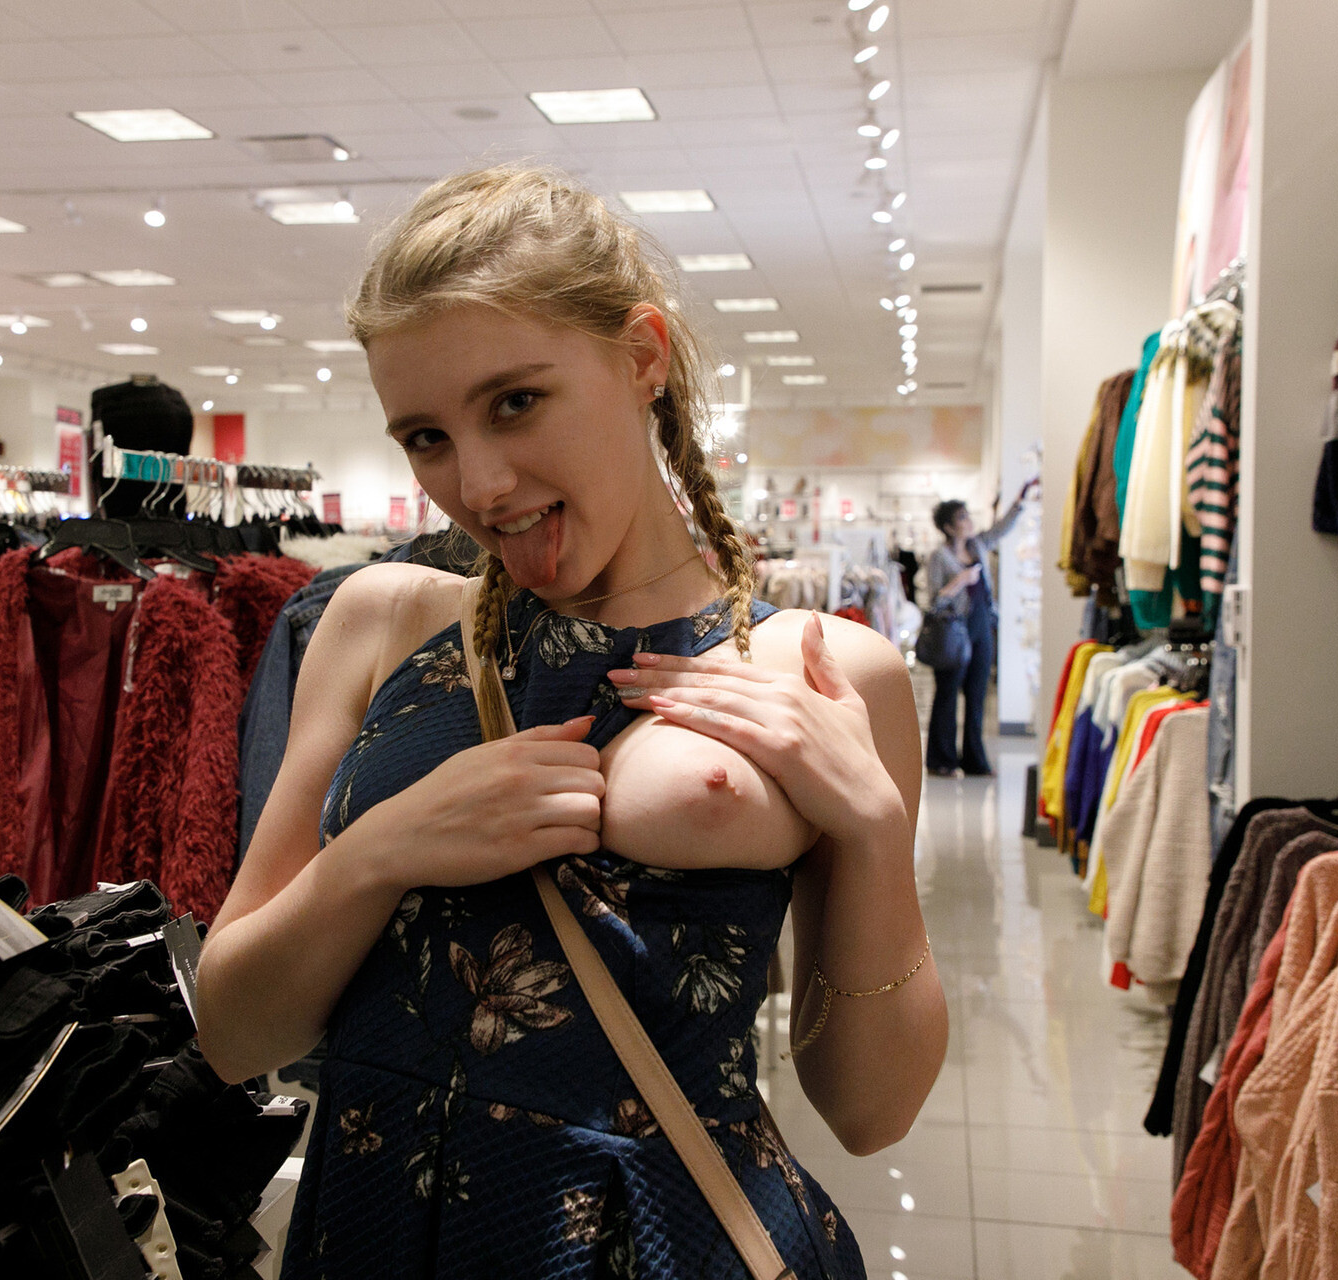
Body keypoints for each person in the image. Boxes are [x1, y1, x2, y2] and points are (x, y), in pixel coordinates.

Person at [194, 166, 947, 1278]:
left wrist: (874, 835)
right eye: (426, 437)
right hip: (374, 1227)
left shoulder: (819, 668)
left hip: (662, 1237)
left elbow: (870, 1112)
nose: (480, 483)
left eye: (515, 402)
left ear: (642, 357)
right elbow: (231, 1033)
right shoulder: (382, 622)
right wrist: (381, 850)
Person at [923, 480, 1039, 778]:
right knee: (948, 694)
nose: (969, 522)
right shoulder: (939, 557)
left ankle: (975, 762)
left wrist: (1019, 501)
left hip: (981, 627)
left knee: (976, 696)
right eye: (962, 518)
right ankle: (941, 760)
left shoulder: (978, 546)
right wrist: (959, 582)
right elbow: (934, 601)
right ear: (949, 527)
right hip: (953, 631)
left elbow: (1000, 530)